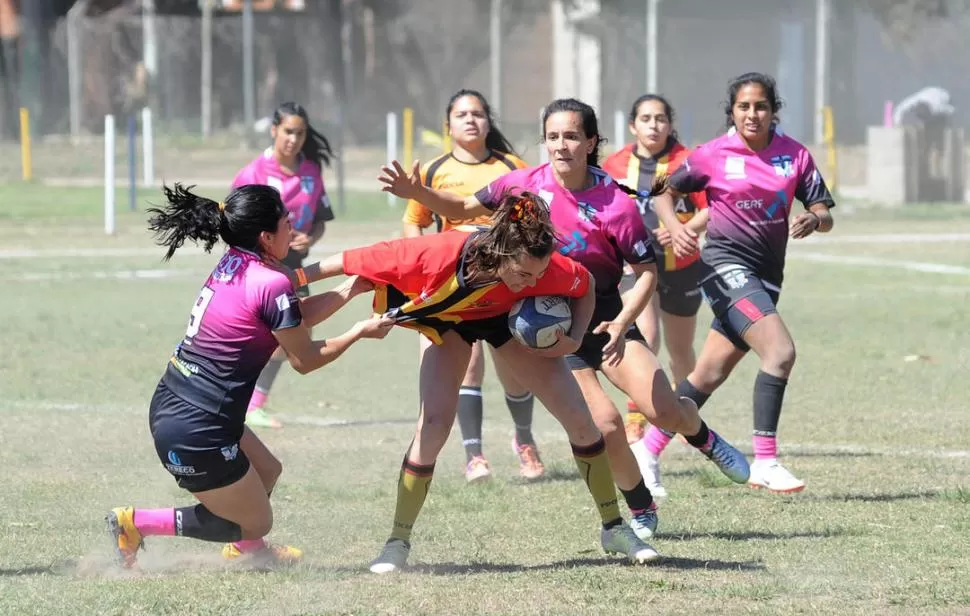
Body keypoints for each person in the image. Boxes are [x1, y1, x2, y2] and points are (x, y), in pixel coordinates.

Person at [379, 97, 751, 544]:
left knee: (662, 409)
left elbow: (647, 272)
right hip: (551, 324)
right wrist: (416, 193)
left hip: (607, 316)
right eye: (553, 136)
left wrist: (622, 323)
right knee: (605, 424)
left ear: (591, 142)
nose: (561, 145)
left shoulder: (615, 202)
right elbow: (459, 209)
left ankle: (702, 436)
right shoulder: (521, 188)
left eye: (572, 136)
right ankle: (639, 504)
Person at [295, 191, 662, 572]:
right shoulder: (435, 253)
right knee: (433, 425)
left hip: (504, 322)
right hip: (449, 321)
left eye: (538, 275)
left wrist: (575, 334)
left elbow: (583, 286)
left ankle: (615, 528)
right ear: (501, 253)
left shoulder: (543, 268)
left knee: (579, 418)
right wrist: (290, 278)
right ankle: (396, 543)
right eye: (523, 274)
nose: (531, 283)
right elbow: (344, 262)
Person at [106, 183, 390, 569]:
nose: (294, 230)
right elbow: (303, 359)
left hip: (180, 403)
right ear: (265, 236)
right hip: (197, 425)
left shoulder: (239, 262)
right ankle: (136, 523)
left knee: (268, 470)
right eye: (287, 223)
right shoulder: (270, 281)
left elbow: (293, 316)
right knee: (255, 520)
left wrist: (350, 288)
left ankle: (247, 549)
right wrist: (358, 331)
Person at [653, 72, 836, 494]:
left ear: (773, 111)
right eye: (744, 107)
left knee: (707, 375)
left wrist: (815, 218)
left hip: (767, 277)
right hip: (723, 267)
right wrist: (675, 226)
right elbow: (662, 190)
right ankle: (766, 461)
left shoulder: (795, 155)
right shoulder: (713, 154)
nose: (752, 114)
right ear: (732, 112)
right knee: (781, 351)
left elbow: (825, 212)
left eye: (761, 106)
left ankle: (648, 448)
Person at [402, 89, 542, 482]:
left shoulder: (511, 166)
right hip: (455, 281)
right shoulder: (432, 170)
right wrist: (420, 263)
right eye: (462, 114)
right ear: (448, 125)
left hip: (505, 279)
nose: (470, 120)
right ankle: (474, 455)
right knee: (469, 367)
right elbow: (415, 219)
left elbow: (533, 216)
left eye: (478, 114)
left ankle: (524, 439)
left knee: (514, 367)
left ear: (488, 121)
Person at [602, 94, 709, 498]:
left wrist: (685, 229)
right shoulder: (615, 165)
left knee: (682, 351)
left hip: (682, 264)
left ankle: (685, 411)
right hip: (635, 266)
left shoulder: (689, 159)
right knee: (647, 339)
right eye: (645, 119)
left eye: (660, 118)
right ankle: (638, 416)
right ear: (633, 125)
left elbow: (712, 207)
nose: (653, 126)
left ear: (669, 123)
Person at [232, 102, 337, 429]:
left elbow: (319, 221)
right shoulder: (254, 174)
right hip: (261, 265)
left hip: (295, 267)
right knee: (272, 333)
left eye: (300, 133)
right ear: (274, 130)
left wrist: (310, 239)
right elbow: (234, 222)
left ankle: (252, 403)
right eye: (288, 131)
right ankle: (246, 402)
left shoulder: (310, 172)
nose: (293, 139)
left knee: (298, 332)